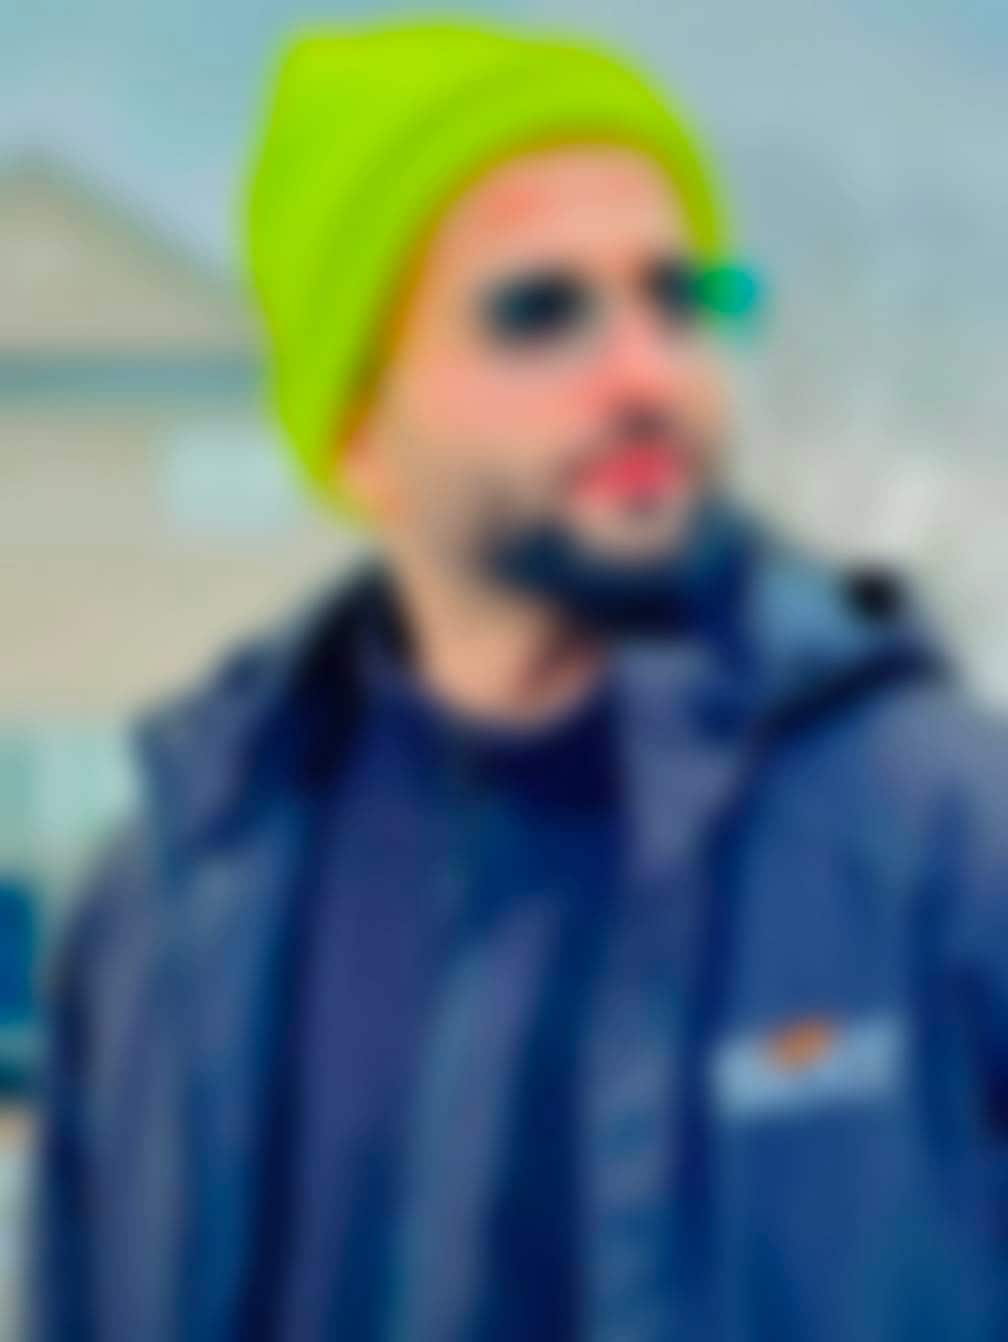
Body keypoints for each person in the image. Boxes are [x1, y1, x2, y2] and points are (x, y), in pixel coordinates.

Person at [29, 17, 1008, 1342]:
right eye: (539, 311)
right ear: (358, 430)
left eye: (681, 299)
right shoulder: (160, 916)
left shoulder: (939, 835)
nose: (645, 371)